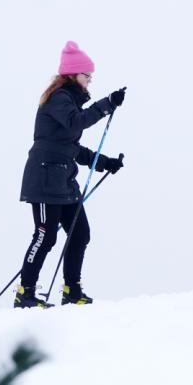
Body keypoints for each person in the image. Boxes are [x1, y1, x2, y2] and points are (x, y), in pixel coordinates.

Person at [15, 40, 126, 308]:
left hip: (63, 181)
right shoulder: (58, 99)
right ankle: (25, 294)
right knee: (45, 237)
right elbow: (78, 123)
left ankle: (71, 290)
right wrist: (107, 104)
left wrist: (105, 162)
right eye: (87, 76)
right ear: (74, 74)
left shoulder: (70, 102)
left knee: (80, 234)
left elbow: (71, 148)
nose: (89, 81)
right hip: (43, 180)